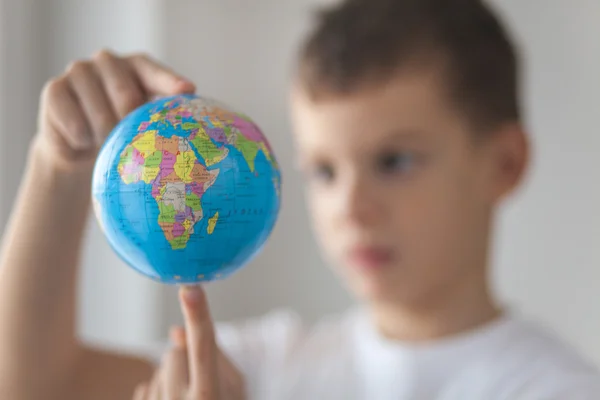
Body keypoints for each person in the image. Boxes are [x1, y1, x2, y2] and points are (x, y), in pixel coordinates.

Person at [0, 0, 599, 399]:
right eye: (322, 171)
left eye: (394, 161)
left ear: (504, 163)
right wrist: (60, 164)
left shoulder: (555, 388)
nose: (351, 208)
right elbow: (33, 382)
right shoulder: (265, 366)